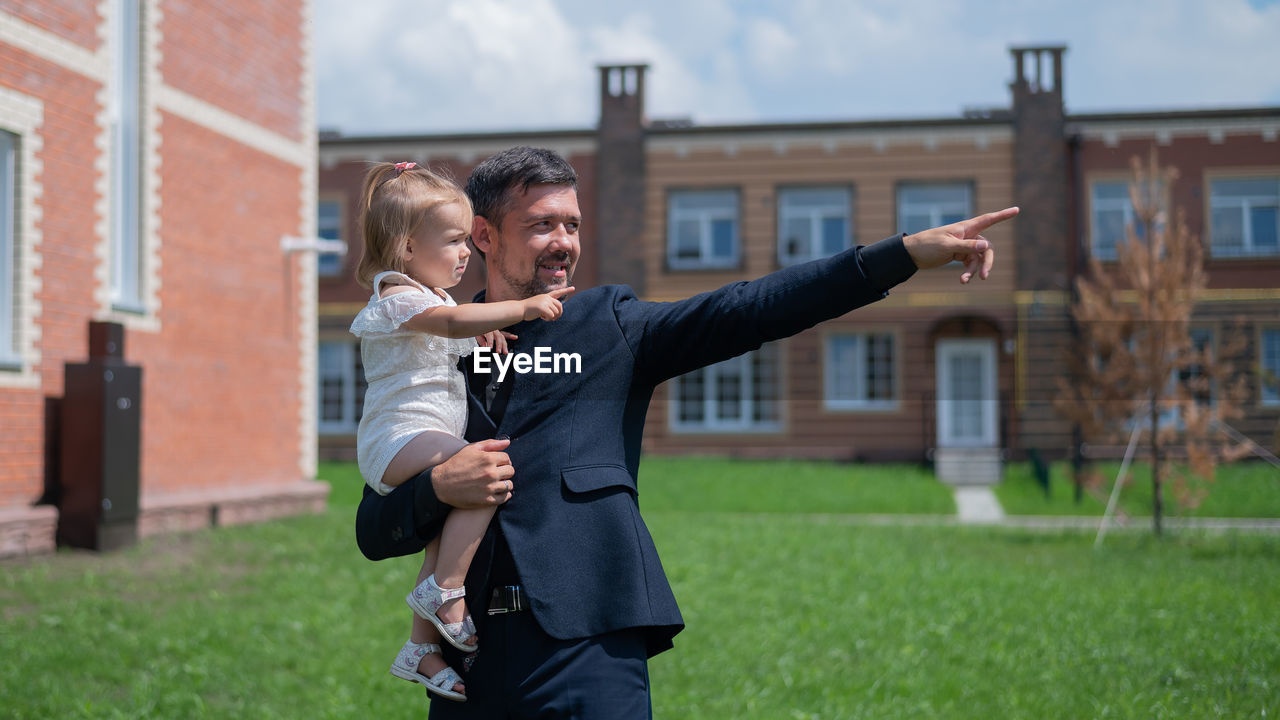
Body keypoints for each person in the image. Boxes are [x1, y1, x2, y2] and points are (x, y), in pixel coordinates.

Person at [354, 146, 1019, 718]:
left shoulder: (611, 324)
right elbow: (374, 527)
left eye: (572, 224)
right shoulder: (424, 345)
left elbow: (750, 309)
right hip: (466, 663)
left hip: (589, 643)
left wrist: (897, 256)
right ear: (483, 236)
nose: (563, 241)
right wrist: (441, 485)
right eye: (541, 225)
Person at [349, 160, 572, 702]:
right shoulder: (395, 297)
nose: (464, 252)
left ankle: (420, 649)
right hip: (398, 436)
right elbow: (447, 325)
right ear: (405, 248)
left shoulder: (434, 300)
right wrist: (520, 308)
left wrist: (485, 332)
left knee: (444, 519)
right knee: (486, 467)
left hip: (418, 435)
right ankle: (446, 590)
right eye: (452, 240)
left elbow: (451, 328)